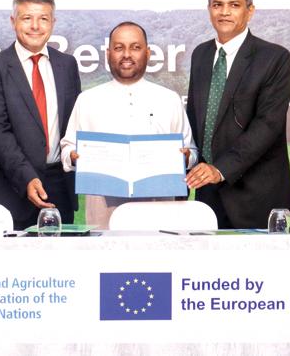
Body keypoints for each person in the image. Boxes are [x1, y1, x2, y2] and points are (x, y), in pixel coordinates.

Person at [60, 21, 197, 228]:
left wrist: (186, 157)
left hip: (160, 210)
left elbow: (192, 152)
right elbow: (67, 148)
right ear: (108, 54)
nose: (126, 54)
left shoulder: (169, 99)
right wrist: (72, 155)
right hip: (103, 211)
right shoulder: (88, 99)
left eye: (135, 47)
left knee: (160, 260)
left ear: (148, 53)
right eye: (118, 48)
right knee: (106, 260)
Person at [185, 0, 290, 229]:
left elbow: (267, 126)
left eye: (234, 5)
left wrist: (219, 169)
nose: (224, 12)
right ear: (209, 9)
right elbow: (195, 118)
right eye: (217, 4)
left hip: (257, 197)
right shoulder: (200, 54)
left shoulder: (274, 58)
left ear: (250, 11)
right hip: (207, 196)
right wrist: (186, 155)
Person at [0, 0, 81, 230]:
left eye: (43, 18)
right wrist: (27, 178)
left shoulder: (67, 65)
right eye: (27, 18)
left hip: (60, 190)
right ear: (13, 22)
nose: (35, 26)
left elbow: (74, 124)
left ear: (53, 23)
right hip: (11, 191)